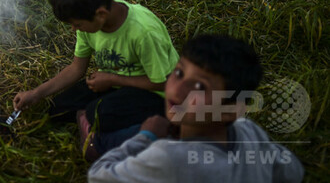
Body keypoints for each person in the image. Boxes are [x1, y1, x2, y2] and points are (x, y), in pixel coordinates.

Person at [13, 0, 178, 160]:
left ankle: (104, 130)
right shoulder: (89, 24)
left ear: (101, 14)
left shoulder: (144, 33)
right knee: (57, 109)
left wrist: (112, 79)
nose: (74, 29)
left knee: (98, 113)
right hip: (114, 83)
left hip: (155, 93)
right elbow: (76, 68)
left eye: (77, 24)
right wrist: (36, 93)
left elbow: (164, 82)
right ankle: (92, 117)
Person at [88, 34, 305, 182]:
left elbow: (98, 176)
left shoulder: (168, 158)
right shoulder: (248, 131)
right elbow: (292, 171)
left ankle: (91, 140)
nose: (178, 89)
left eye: (200, 87)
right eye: (179, 73)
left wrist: (146, 136)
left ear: (230, 109)